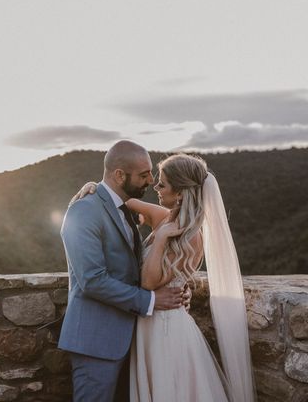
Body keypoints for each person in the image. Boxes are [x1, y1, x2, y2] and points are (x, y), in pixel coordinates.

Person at [73, 152, 256, 401]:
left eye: (163, 183)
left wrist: (159, 239)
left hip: (166, 331)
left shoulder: (192, 237)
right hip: (146, 324)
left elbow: (148, 283)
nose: (155, 186)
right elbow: (118, 202)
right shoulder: (163, 216)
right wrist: (93, 186)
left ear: (180, 192)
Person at [58, 140, 187, 402]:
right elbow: (92, 281)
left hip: (130, 340)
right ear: (119, 175)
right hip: (96, 342)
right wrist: (151, 300)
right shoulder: (84, 210)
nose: (151, 180)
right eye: (143, 174)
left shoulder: (122, 207)